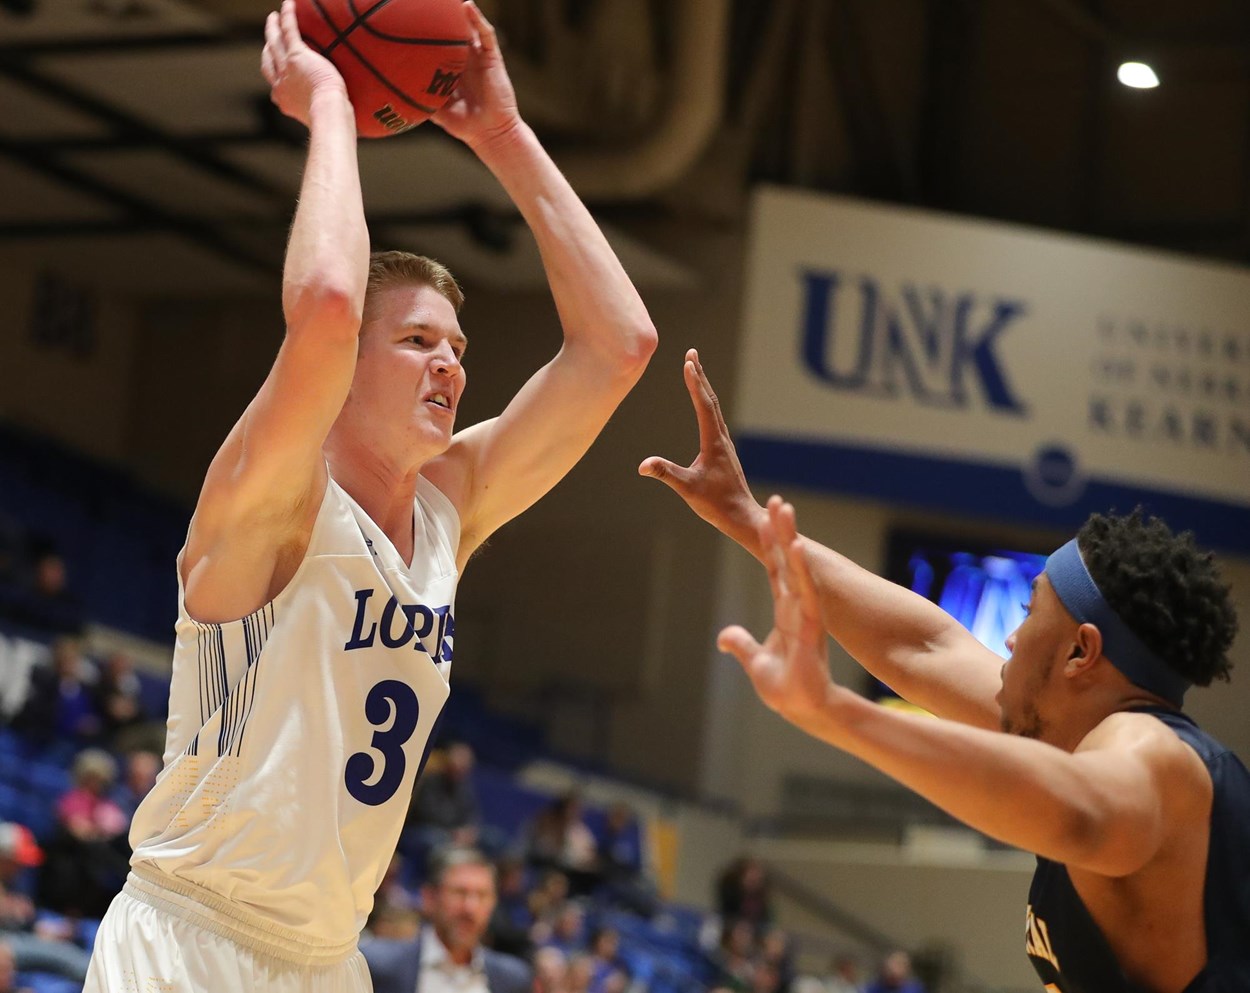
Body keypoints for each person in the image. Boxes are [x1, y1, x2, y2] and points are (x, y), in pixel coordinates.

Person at [83, 0, 656, 988]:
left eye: (459, 349)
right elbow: (326, 304)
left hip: (326, 963)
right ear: (349, 368)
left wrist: (503, 134)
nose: (449, 367)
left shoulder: (451, 512)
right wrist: (333, 106)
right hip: (188, 941)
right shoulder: (272, 491)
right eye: (418, 342)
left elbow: (618, 347)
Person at [642, 351, 1249, 993]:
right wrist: (744, 518)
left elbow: (1079, 815)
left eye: (1028, 608)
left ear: (1081, 652)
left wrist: (834, 712)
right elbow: (923, 645)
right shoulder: (1067, 732)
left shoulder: (1151, 758)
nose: (1010, 637)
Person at [361, 847, 532, 993]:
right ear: (429, 898)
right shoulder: (377, 967)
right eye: (459, 892)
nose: (470, 908)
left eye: (482, 895)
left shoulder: (513, 979)